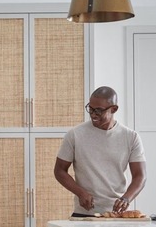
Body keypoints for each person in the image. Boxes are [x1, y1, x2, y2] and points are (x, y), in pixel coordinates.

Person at [54, 86, 146, 216]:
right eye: (90, 109)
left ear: (114, 109)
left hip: (116, 214)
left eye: (98, 111)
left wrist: (126, 198)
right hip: (84, 213)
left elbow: (140, 175)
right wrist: (80, 193)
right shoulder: (75, 134)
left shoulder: (131, 137)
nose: (93, 115)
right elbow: (59, 171)